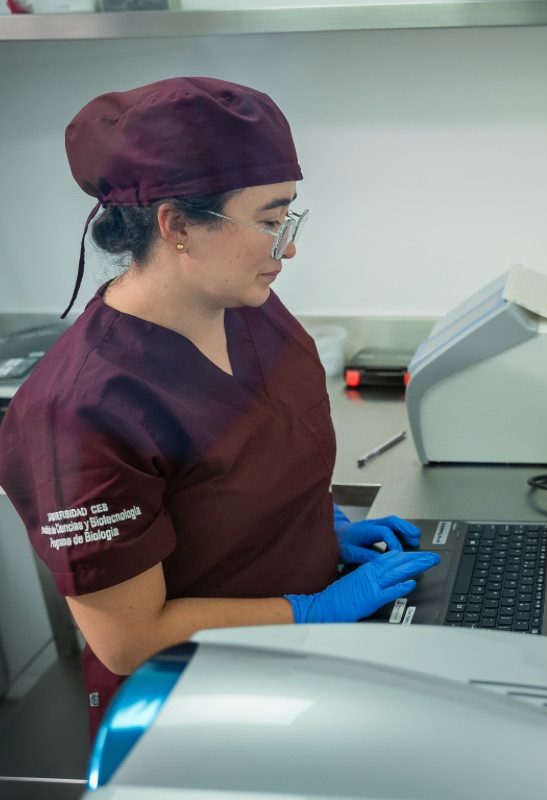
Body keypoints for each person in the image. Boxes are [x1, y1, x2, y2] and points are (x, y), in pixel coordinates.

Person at [0, 77, 440, 742]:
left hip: (300, 663)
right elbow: (130, 640)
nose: (287, 247)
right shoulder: (80, 411)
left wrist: (314, 534)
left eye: (289, 217)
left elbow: (238, 479)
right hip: (193, 708)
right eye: (268, 221)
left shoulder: (247, 311)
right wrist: (313, 607)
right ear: (176, 225)